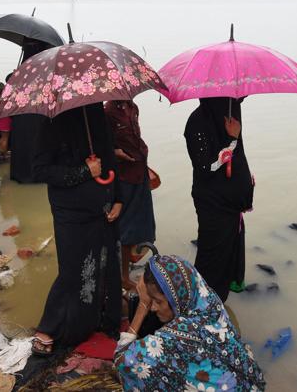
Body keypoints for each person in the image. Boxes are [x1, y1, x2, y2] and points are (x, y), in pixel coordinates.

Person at [30, 103, 122, 354]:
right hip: (70, 212)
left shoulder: (95, 113)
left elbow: (110, 158)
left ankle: (101, 320)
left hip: (103, 207)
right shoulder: (51, 122)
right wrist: (84, 171)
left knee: (105, 264)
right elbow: (39, 170)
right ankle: (48, 328)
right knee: (73, 270)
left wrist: (119, 199)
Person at [115, 255, 266, 391]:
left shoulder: (175, 339)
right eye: (151, 300)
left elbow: (122, 359)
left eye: (157, 301)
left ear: (176, 300)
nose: (153, 307)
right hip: (252, 383)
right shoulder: (208, 301)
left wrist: (143, 306)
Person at [184, 97, 254, 302]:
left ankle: (217, 302)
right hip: (212, 202)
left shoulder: (229, 116)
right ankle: (200, 304)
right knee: (211, 255)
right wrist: (231, 139)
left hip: (230, 203)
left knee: (225, 256)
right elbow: (205, 168)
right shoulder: (197, 123)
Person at [104, 100, 156, 291]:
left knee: (144, 226)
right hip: (124, 178)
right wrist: (115, 153)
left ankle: (128, 264)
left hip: (139, 172)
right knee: (127, 230)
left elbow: (135, 138)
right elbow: (103, 147)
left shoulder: (133, 107)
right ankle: (123, 277)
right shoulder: (108, 111)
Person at [10, 38, 54, 183]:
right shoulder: (45, 68)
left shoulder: (20, 71)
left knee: (23, 140)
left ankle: (22, 174)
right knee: (39, 140)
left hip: (21, 115)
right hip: (39, 115)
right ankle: (38, 173)